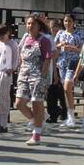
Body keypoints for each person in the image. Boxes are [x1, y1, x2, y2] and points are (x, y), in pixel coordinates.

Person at [14, 13, 53, 146]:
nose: (30, 26)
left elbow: (48, 58)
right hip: (24, 74)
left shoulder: (44, 40)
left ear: (38, 26)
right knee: (19, 103)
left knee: (37, 103)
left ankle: (36, 134)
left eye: (33, 24)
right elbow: (20, 55)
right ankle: (39, 122)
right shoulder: (25, 38)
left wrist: (42, 75)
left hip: (37, 75)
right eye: (28, 23)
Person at [0, 23, 19, 132]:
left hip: (5, 71)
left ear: (7, 33)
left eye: (2, 34)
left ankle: (3, 124)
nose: (0, 37)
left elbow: (16, 58)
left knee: (3, 97)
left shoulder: (13, 44)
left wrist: (12, 68)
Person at [54, 13, 84, 128]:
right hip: (62, 63)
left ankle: (71, 116)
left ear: (74, 22)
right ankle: (69, 114)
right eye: (66, 21)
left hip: (73, 63)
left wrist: (72, 48)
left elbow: (82, 50)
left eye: (70, 21)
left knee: (67, 87)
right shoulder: (60, 33)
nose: (67, 23)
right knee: (66, 91)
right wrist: (60, 45)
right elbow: (54, 45)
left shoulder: (78, 34)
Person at [45, 18, 65, 124]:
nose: (54, 29)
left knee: (58, 92)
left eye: (56, 27)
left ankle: (59, 111)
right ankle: (55, 112)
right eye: (52, 27)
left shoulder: (60, 36)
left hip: (59, 66)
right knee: (51, 93)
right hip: (51, 67)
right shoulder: (48, 38)